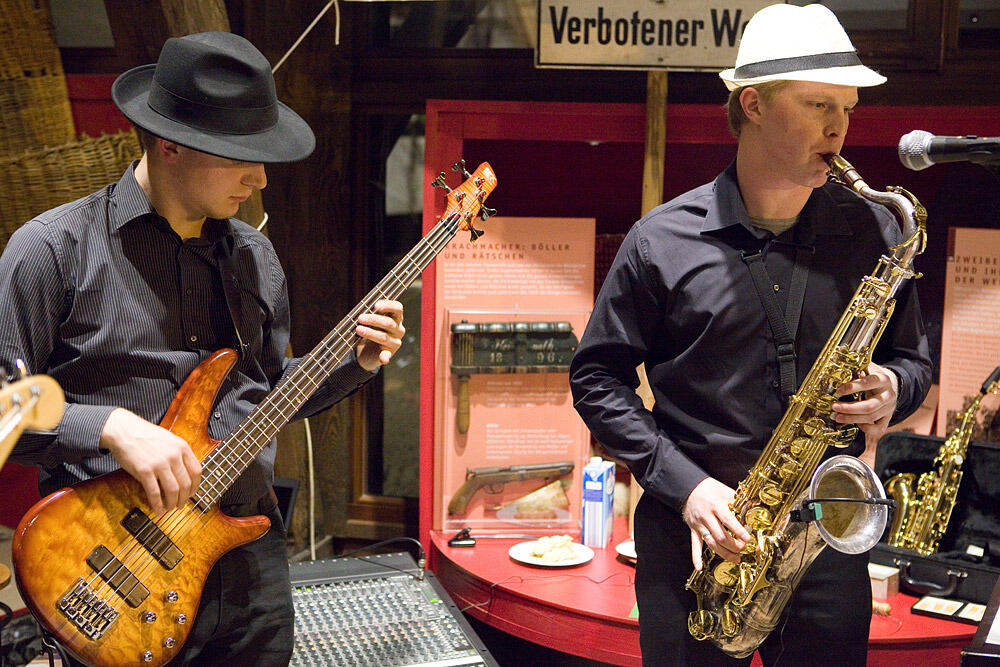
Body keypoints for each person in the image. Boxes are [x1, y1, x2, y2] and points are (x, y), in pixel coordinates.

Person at [0, 31, 405, 665]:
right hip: (113, 564)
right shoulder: (49, 251)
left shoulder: (254, 256)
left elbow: (268, 391)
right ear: (170, 144)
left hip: (247, 560)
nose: (261, 176)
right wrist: (110, 428)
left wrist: (352, 363)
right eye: (241, 154)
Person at [569, 5, 932, 667]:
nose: (838, 128)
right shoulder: (660, 242)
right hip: (698, 539)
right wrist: (686, 485)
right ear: (754, 104)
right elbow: (596, 381)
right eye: (820, 103)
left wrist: (891, 388)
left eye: (846, 108)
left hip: (825, 534)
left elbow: (912, 361)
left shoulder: (874, 231)